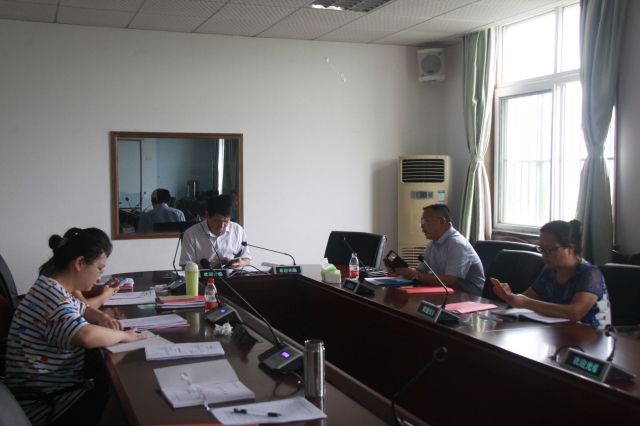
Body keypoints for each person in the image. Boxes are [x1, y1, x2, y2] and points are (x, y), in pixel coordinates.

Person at [4, 227, 147, 426]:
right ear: (80, 263)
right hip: (49, 404)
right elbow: (86, 336)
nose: (99, 277)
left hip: (51, 390)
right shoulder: (54, 299)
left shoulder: (50, 286)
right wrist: (125, 336)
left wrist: (101, 317)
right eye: (100, 269)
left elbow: (83, 308)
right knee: (127, 398)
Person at [491, 220, 611, 329]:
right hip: (558, 332)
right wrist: (510, 297)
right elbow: (527, 297)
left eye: (550, 250)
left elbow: (575, 313)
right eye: (542, 249)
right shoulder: (550, 270)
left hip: (591, 338)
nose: (544, 255)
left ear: (570, 248)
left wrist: (525, 302)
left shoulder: (590, 274)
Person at [391, 203, 485, 295]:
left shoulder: (457, 244)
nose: (422, 226)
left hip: (468, 296)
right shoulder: (432, 244)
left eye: (425, 221)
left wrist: (416, 275)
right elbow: (421, 271)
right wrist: (402, 271)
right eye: (421, 222)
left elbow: (450, 280)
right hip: (446, 292)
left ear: (442, 221)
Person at [179, 194, 251, 268]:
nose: (222, 226)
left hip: (232, 274)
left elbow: (247, 259)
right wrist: (211, 266)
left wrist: (240, 263)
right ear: (207, 215)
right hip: (202, 275)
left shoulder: (238, 230)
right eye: (217, 221)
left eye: (226, 221)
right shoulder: (191, 234)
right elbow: (185, 266)